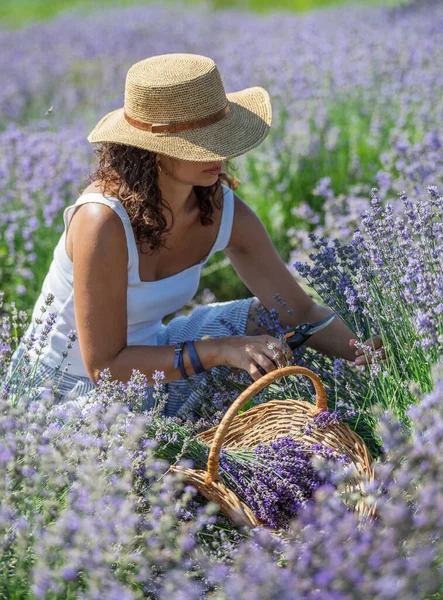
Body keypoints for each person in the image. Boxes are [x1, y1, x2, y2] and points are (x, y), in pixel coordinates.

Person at [7, 53, 384, 417]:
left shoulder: (219, 207)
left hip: (154, 356)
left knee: (264, 322)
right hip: (68, 395)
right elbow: (105, 368)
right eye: (201, 141)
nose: (219, 151)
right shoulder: (101, 221)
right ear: (152, 151)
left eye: (220, 135)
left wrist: (366, 356)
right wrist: (220, 350)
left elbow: (299, 312)